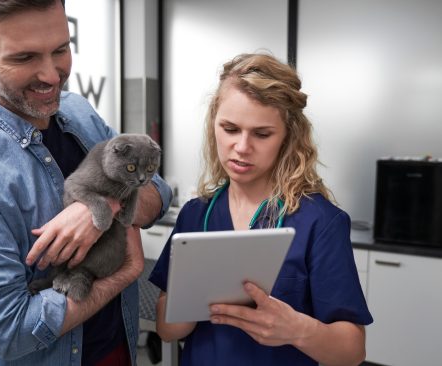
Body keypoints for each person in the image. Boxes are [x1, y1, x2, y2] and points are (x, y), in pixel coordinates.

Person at [0, 1, 172, 365]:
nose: (52, 76)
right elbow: (8, 329)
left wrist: (103, 208)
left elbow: (159, 192)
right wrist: (123, 275)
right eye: (24, 58)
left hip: (120, 349)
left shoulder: (78, 111)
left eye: (61, 49)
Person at [149, 53, 373, 366]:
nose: (241, 147)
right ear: (213, 124)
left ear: (287, 138)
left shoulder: (319, 222)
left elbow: (352, 352)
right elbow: (167, 330)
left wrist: (297, 330)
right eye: (230, 129)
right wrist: (188, 302)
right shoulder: (196, 214)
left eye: (262, 134)